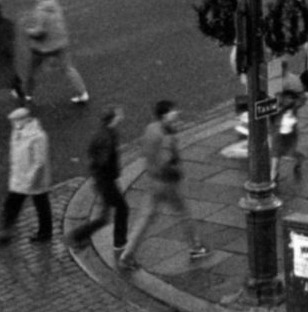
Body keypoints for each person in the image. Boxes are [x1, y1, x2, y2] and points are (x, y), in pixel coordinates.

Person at [116, 100, 209, 269]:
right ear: (165, 115)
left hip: (152, 180)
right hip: (168, 183)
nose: (177, 113)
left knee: (145, 219)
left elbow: (144, 150)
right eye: (173, 112)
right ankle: (195, 247)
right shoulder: (166, 135)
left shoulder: (150, 129)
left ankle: (127, 255)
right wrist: (176, 168)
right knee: (183, 213)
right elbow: (166, 160)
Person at [68, 106, 128, 250]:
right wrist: (110, 172)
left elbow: (92, 153)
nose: (121, 115)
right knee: (118, 210)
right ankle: (76, 237)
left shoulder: (105, 132)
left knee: (107, 214)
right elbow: (102, 161)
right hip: (105, 180)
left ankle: (78, 237)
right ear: (113, 119)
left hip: (103, 179)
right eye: (118, 114)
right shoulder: (107, 137)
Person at [23, 0, 90, 105]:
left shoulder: (40, 10)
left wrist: (29, 32)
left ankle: (28, 95)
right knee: (69, 69)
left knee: (31, 71)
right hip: (60, 44)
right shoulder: (55, 5)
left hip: (42, 47)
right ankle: (83, 93)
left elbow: (40, 31)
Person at [0, 105, 53, 244]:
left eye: (15, 120)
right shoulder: (18, 131)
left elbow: (39, 162)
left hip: (34, 179)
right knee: (12, 204)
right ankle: (6, 230)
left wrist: (32, 180)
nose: (13, 123)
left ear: (24, 120)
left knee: (41, 206)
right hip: (20, 177)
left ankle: (45, 233)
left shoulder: (38, 137)